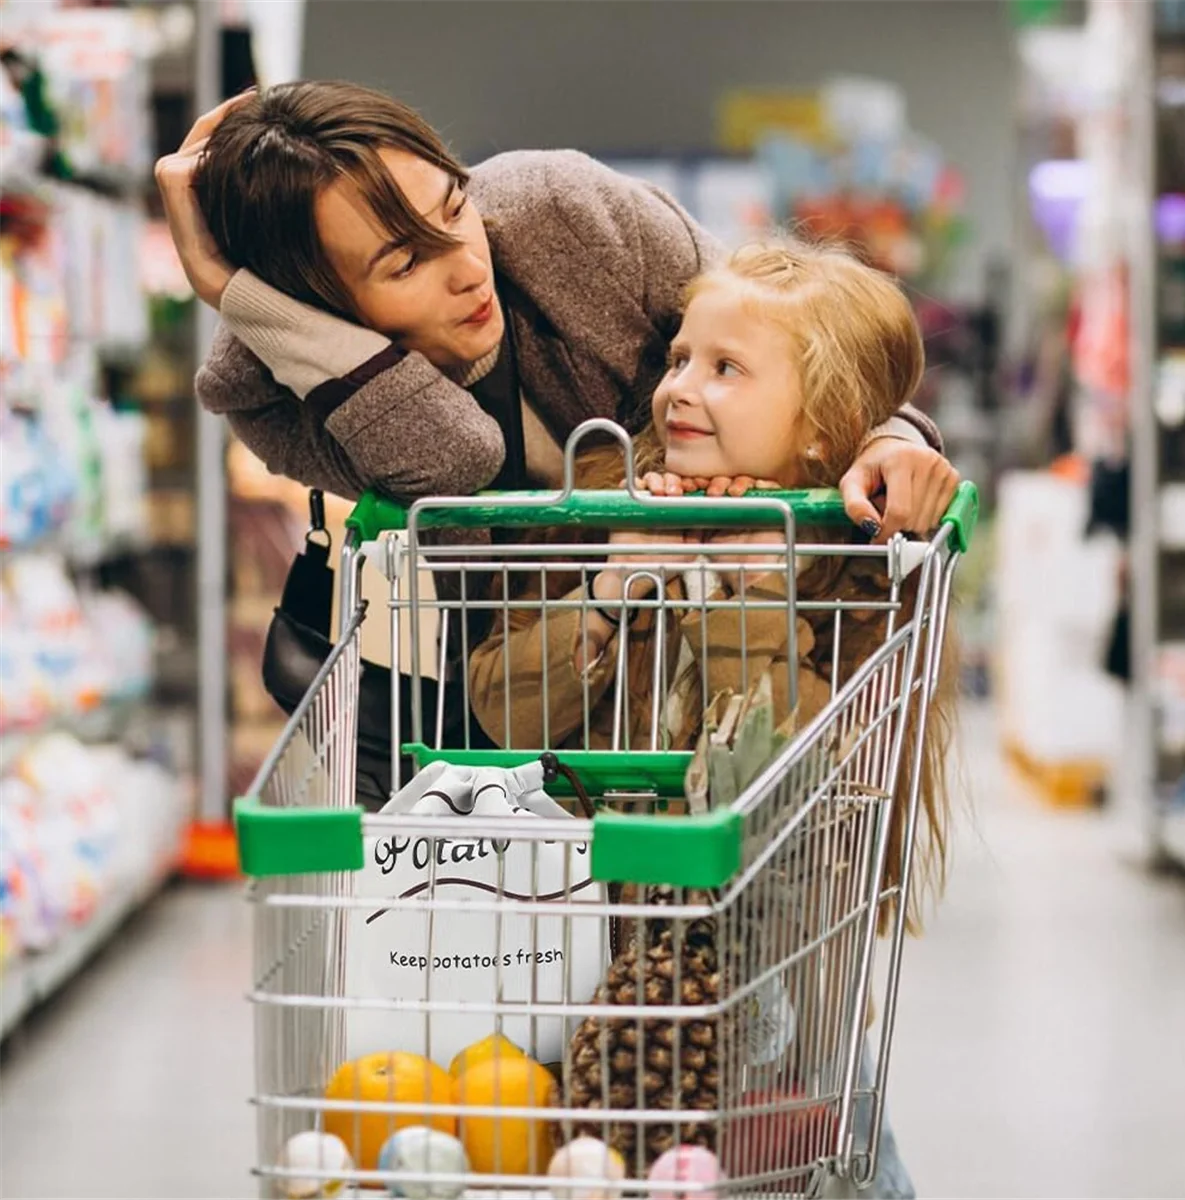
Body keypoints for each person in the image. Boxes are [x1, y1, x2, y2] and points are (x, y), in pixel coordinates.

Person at [466, 239, 955, 1199]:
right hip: (617, 979)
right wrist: (610, 588)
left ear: (823, 433)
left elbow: (817, 789)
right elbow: (498, 710)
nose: (680, 388)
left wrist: (746, 607)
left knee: (822, 1163)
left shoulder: (855, 573)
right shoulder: (615, 503)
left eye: (727, 369)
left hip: (784, 993)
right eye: (682, 358)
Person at [155, 81, 960, 538]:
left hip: (745, 611)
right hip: (509, 698)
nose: (467, 265)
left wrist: (890, 440)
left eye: (453, 203)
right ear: (310, 304)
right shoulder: (270, 387)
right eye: (404, 262)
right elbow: (452, 461)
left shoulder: (565, 213)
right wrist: (235, 293)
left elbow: (793, 332)